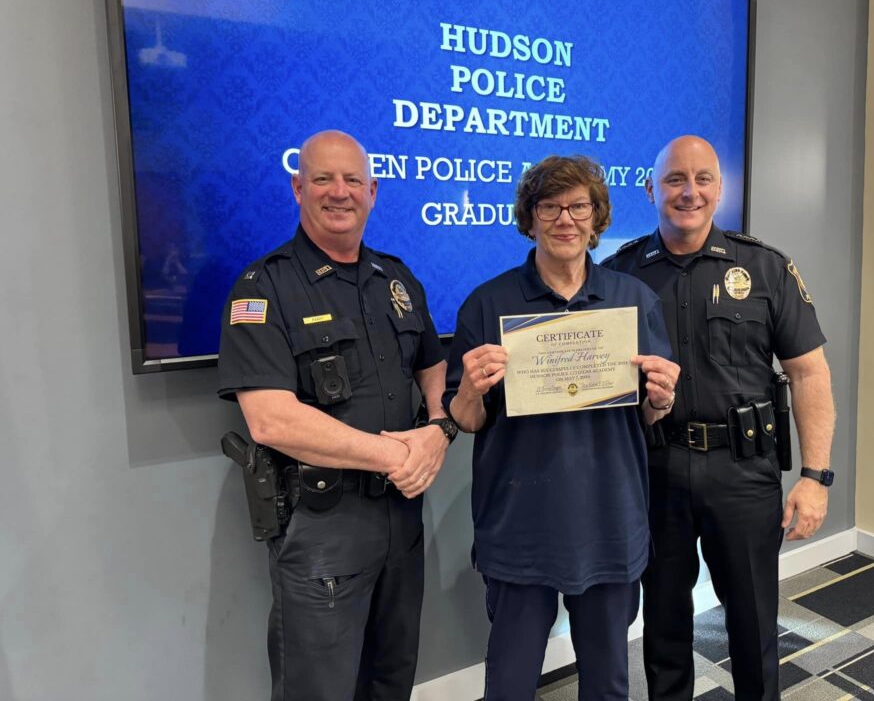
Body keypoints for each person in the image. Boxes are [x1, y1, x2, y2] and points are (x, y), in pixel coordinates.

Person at [217, 130, 456, 701]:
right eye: (322, 179)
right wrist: (402, 455)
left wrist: (437, 428)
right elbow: (271, 420)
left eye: (352, 180)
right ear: (298, 188)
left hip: (402, 520)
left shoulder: (397, 280)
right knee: (319, 691)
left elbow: (431, 365)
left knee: (392, 679)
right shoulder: (263, 288)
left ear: (373, 191)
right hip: (325, 526)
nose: (339, 192)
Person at [602, 136, 835, 701]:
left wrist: (815, 477)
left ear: (720, 187)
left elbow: (809, 374)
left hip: (743, 471)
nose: (690, 191)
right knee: (663, 625)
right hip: (655, 473)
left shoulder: (765, 268)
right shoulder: (617, 276)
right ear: (651, 187)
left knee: (753, 623)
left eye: (703, 178)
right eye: (676, 179)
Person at [443, 155, 680, 701]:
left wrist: (662, 400)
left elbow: (647, 413)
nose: (564, 219)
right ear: (529, 218)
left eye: (578, 206)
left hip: (609, 518)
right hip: (520, 523)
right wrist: (468, 391)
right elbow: (467, 419)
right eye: (549, 206)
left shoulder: (632, 300)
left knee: (608, 681)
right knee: (509, 681)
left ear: (596, 219)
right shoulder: (488, 303)